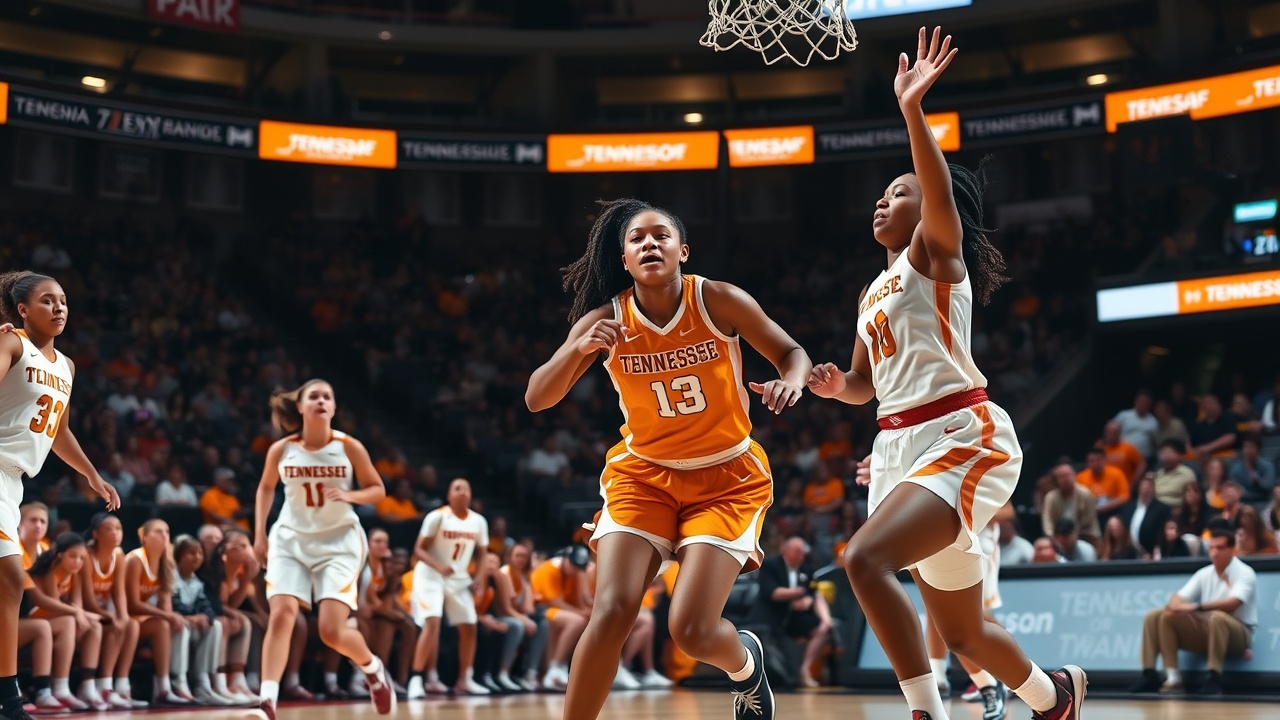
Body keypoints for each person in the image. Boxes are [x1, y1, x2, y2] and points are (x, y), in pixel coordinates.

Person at [807, 28, 1084, 720]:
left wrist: (913, 111)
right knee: (963, 632)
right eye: (881, 194)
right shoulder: (871, 292)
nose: (883, 201)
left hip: (961, 434)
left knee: (862, 560)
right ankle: (1055, 698)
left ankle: (924, 711)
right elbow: (867, 384)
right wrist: (837, 386)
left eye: (898, 192)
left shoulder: (935, 256)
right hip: (898, 445)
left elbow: (936, 193)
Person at [526, 184, 812, 720]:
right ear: (624, 260)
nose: (649, 244)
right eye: (637, 239)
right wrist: (577, 349)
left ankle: (745, 664)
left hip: (726, 477)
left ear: (683, 251)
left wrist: (790, 381)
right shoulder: (605, 320)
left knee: (692, 630)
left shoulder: (718, 300)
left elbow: (791, 352)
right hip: (644, 476)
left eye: (661, 235)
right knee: (611, 612)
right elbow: (537, 398)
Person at [0, 271, 119, 720]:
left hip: (14, 481)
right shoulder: (11, 343)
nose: (59, 308)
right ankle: (9, 700)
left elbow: (59, 432)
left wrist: (92, 475)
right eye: (47, 300)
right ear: (23, 310)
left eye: (63, 301)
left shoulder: (66, 366)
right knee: (11, 578)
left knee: (7, 582)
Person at [252, 379, 395, 719]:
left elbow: (377, 489)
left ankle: (372, 668)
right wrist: (259, 534)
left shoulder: (349, 446)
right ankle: (266, 703)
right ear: (300, 407)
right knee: (282, 613)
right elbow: (266, 488)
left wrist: (350, 495)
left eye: (327, 397)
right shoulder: (281, 449)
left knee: (331, 631)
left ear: (333, 408)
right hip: (291, 538)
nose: (320, 401)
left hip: (339, 541)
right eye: (313, 396)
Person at [1130, 527, 1257, 696]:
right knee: (1158, 615)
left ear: (1232, 549)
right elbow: (1178, 598)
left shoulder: (1245, 573)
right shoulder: (1204, 573)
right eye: (1211, 548)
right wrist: (1177, 607)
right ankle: (1163, 676)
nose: (1214, 553)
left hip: (1240, 634)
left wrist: (1195, 607)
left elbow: (1233, 604)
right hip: (1208, 627)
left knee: (1217, 617)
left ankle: (1214, 676)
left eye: (1220, 548)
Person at [406, 478, 490, 697]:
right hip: (430, 575)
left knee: (469, 626)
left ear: (470, 495)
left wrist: (479, 576)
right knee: (432, 623)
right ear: (449, 495)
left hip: (458, 577)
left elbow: (482, 553)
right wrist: (438, 566)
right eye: (457, 488)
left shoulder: (479, 521)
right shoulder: (437, 517)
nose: (462, 492)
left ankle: (465, 679)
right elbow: (418, 549)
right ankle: (416, 678)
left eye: (466, 488)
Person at [26, 532, 106, 711]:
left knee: (95, 626)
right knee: (70, 621)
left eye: (81, 558)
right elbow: (54, 605)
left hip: (57, 619)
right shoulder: (50, 570)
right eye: (73, 556)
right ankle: (60, 688)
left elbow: (77, 603)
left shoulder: (75, 573)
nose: (78, 561)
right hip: (36, 617)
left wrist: (80, 613)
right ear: (60, 554)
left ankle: (88, 686)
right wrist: (78, 612)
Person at [125, 519, 192, 705]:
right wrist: (168, 616)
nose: (164, 535)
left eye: (167, 532)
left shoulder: (167, 562)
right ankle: (161, 687)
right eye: (158, 531)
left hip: (144, 621)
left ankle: (168, 686)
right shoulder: (135, 559)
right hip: (124, 619)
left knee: (175, 626)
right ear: (144, 537)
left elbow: (165, 605)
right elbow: (132, 604)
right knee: (164, 622)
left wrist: (172, 618)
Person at [751, 537, 832, 689]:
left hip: (795, 617)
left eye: (802, 552)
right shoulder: (771, 565)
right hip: (771, 617)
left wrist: (824, 618)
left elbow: (815, 593)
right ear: (785, 551)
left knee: (821, 630)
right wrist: (797, 594)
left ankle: (805, 670)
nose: (800, 555)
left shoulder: (807, 568)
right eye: (796, 551)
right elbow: (773, 593)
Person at [81, 513, 143, 709]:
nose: (115, 533)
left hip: (102, 615)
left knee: (131, 625)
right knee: (117, 626)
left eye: (118, 528)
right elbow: (88, 601)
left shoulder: (119, 555)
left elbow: (119, 593)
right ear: (96, 534)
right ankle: (102, 686)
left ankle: (119, 686)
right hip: (85, 613)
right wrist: (112, 617)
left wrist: (122, 616)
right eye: (109, 529)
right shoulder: (86, 555)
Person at [1116, 474, 1172, 558]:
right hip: (1128, 553)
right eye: (1144, 485)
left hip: (1150, 553)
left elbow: (1161, 534)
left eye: (1149, 486)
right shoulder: (1128, 508)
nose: (1146, 488)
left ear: (1153, 489)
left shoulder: (1162, 509)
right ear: (1139, 488)